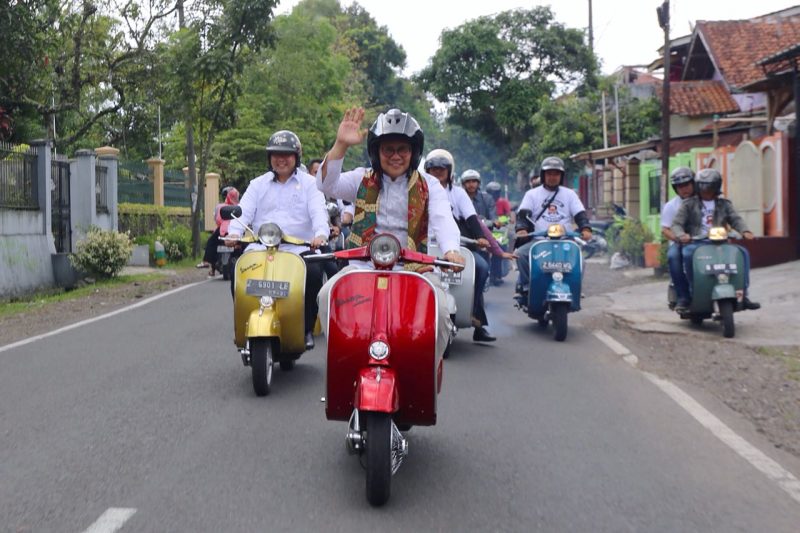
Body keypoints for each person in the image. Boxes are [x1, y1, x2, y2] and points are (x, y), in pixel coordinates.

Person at [315, 107, 465, 355]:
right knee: (325, 296)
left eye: (402, 149)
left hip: (415, 269)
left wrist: (451, 251)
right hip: (363, 265)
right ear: (377, 152)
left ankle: (424, 376)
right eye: (388, 149)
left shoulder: (430, 185)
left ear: (414, 152)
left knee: (440, 311)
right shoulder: (361, 178)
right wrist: (340, 145)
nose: (395, 156)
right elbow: (325, 184)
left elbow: (443, 219)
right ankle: (344, 360)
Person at [226, 130, 330, 350]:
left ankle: (306, 328)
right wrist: (234, 233)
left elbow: (318, 212)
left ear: (296, 157)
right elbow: (243, 213)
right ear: (269, 157)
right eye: (275, 154)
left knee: (313, 273)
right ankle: (243, 325)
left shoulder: (310, 184)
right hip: (260, 247)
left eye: (287, 154)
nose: (281, 159)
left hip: (298, 249)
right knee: (237, 271)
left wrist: (320, 235)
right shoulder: (257, 184)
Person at [424, 149, 515, 342]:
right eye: (433, 169)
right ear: (427, 171)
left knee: (480, 269)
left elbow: (473, 219)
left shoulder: (458, 194)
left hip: (457, 247)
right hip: (424, 247)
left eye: (442, 169)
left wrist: (485, 240)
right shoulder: (417, 191)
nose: (438, 173)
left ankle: (476, 317)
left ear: (450, 171)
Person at [671, 168, 760, 310]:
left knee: (742, 253)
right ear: (697, 186)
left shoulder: (724, 204)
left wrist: (745, 231)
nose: (706, 190)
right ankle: (692, 290)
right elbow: (676, 223)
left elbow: (735, 219)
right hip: (696, 243)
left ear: (716, 186)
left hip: (720, 241)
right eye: (702, 186)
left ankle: (743, 293)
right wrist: (682, 235)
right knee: (687, 254)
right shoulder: (688, 204)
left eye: (710, 186)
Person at [514, 156, 592, 299]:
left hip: (565, 240)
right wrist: (521, 229)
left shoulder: (569, 194)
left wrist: (585, 228)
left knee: (580, 260)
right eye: (549, 173)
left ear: (561, 176)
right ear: (543, 175)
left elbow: (580, 214)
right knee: (520, 254)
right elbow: (523, 215)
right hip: (539, 240)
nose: (552, 177)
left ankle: (575, 287)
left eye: (556, 174)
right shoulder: (532, 194)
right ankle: (526, 285)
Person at [660, 167, 696, 311]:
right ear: (675, 188)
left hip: (704, 240)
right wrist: (679, 239)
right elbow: (665, 229)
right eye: (680, 186)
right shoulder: (671, 206)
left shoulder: (704, 201)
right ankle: (683, 296)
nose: (684, 189)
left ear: (694, 183)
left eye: (687, 184)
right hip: (681, 242)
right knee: (673, 257)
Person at [197, 186, 239, 277]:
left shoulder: (220, 206)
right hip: (234, 232)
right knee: (241, 245)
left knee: (211, 242)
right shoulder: (238, 207)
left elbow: (217, 219)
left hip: (222, 231)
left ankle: (209, 265)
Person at [485, 180, 513, 285]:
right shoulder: (484, 200)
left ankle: (496, 275)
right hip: (486, 228)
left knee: (500, 251)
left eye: (496, 193)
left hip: (500, 230)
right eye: (492, 193)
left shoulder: (503, 202)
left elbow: (509, 216)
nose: (494, 195)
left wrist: (499, 221)